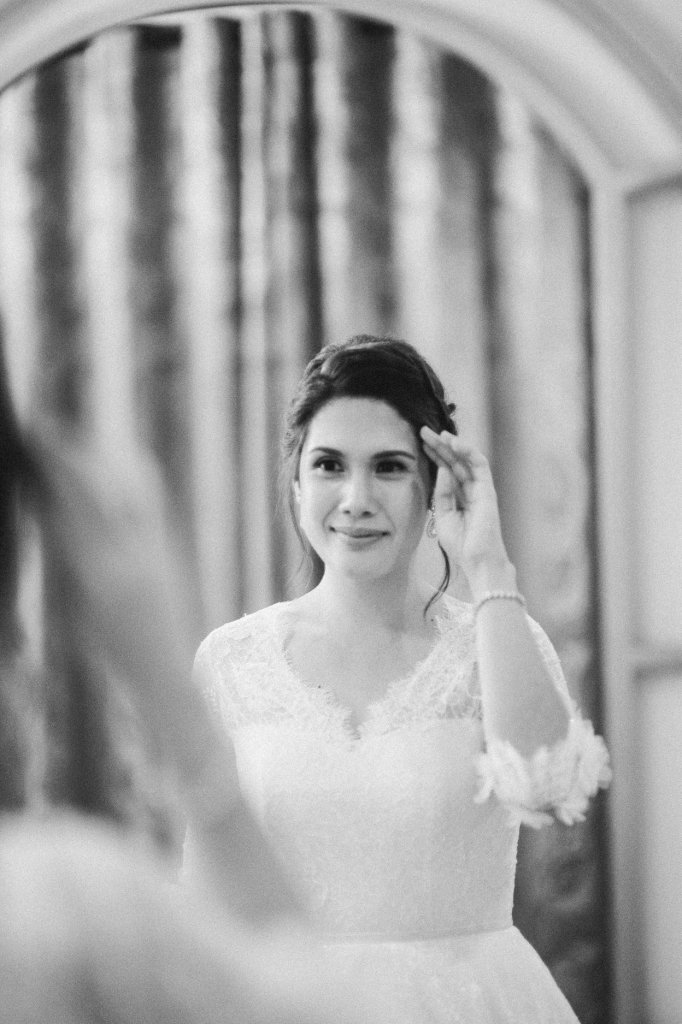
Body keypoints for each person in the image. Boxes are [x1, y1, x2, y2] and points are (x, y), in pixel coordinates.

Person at [188, 334, 611, 1023]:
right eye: (329, 465)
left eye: (388, 468)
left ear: (434, 485)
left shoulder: (495, 639)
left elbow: (547, 788)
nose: (356, 499)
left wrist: (489, 564)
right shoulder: (231, 660)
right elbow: (207, 887)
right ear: (296, 485)